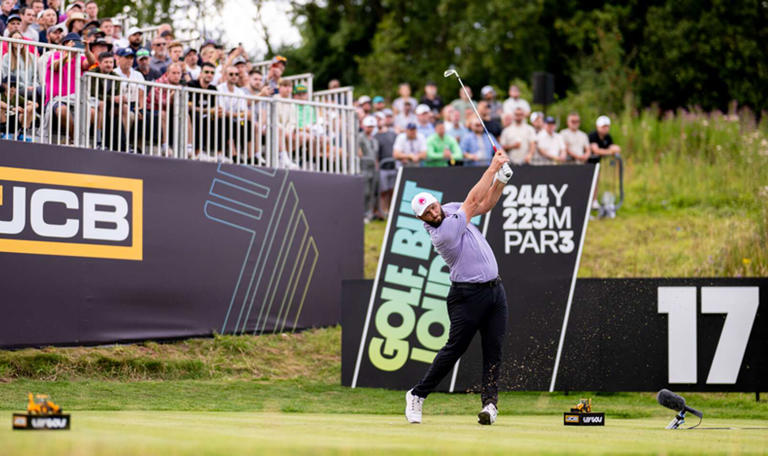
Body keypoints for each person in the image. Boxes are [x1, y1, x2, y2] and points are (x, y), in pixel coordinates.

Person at [405, 150, 513, 425]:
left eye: (433, 206)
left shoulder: (451, 209)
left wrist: (500, 181)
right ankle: (417, 395)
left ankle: (490, 405)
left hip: (494, 292)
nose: (433, 212)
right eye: (427, 213)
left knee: (494, 349)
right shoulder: (442, 234)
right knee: (454, 349)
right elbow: (473, 199)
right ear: (423, 220)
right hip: (467, 297)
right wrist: (492, 168)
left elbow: (483, 205)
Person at [374, 109, 397, 218]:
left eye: (380, 119)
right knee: (383, 191)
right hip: (382, 168)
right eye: (376, 119)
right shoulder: (375, 137)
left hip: (393, 166)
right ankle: (384, 212)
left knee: (392, 190)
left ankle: (392, 211)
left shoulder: (393, 134)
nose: (378, 121)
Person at [358, 115, 379, 222]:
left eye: (371, 126)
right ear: (363, 126)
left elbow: (376, 155)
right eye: (368, 126)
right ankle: (361, 213)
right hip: (363, 167)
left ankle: (368, 213)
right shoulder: (359, 137)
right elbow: (359, 153)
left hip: (373, 169)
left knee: (371, 192)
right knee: (364, 191)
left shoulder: (375, 140)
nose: (370, 128)